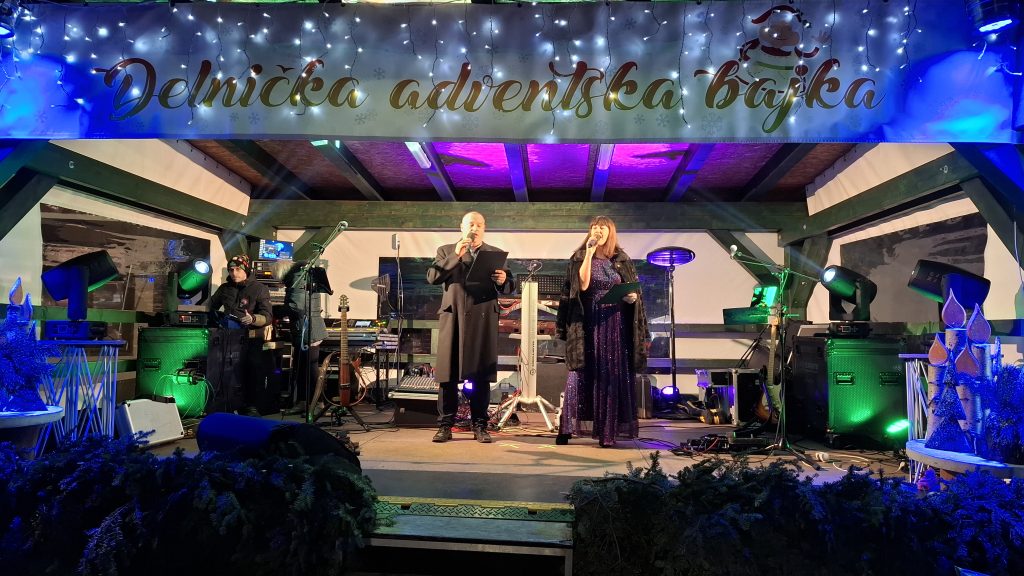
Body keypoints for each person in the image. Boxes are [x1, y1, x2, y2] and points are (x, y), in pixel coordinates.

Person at [555, 216, 649, 447]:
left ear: (610, 232)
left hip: (615, 323)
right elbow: (583, 285)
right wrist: (589, 253)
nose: (598, 231)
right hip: (587, 322)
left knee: (611, 374)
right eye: (594, 227)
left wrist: (631, 298)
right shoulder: (580, 257)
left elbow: (633, 293)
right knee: (579, 373)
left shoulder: (621, 259)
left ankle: (607, 432)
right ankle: (567, 428)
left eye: (602, 228)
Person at [426, 211, 515, 443]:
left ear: (484, 229)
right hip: (453, 316)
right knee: (448, 374)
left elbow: (509, 286)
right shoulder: (446, 250)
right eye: (470, 224)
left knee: (481, 375)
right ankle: (445, 425)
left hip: (482, 319)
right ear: (462, 228)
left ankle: (480, 425)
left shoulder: (494, 253)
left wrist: (503, 281)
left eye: (479, 225)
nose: (474, 229)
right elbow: (433, 277)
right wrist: (456, 254)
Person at [207, 254, 273, 416]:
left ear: (246, 270)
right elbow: (210, 307)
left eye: (237, 269)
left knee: (251, 369)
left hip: (250, 337)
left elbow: (268, 316)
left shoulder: (259, 288)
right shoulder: (225, 288)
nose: (234, 273)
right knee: (220, 370)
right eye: (231, 270)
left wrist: (253, 318)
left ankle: (250, 405)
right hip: (226, 337)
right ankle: (222, 403)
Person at [282, 262, 329, 418]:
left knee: (310, 369)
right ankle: (303, 402)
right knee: (302, 368)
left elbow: (296, 306)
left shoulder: (298, 279)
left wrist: (278, 310)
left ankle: (317, 403)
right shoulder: (301, 278)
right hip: (304, 329)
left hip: (309, 330)